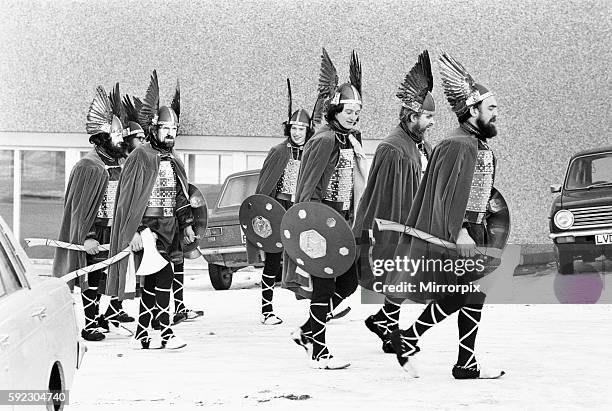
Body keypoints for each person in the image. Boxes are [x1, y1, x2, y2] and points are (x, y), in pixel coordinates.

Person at [387, 51, 505, 379]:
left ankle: (465, 362)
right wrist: (459, 233)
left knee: (471, 295)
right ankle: (409, 337)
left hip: (473, 229)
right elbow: (446, 195)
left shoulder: (473, 142)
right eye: (491, 108)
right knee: (461, 294)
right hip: (458, 232)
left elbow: (478, 190)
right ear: (471, 109)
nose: (495, 113)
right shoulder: (459, 144)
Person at [286, 48, 367, 369]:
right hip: (322, 224)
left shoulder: (346, 139)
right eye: (348, 110)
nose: (353, 116)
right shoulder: (324, 140)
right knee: (325, 285)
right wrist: (315, 228)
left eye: (357, 112)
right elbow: (307, 188)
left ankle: (308, 330)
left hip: (343, 223)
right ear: (334, 109)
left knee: (348, 283)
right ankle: (317, 348)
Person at [352, 50, 435, 353]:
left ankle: (384, 323)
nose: (430, 123)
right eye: (427, 117)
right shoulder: (393, 148)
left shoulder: (418, 144)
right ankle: (314, 327)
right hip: (395, 226)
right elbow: (384, 197)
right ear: (412, 116)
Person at [107, 70, 195, 350]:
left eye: (174, 130)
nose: (170, 134)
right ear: (154, 130)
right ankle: (166, 332)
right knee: (164, 278)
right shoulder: (140, 156)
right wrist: (132, 230)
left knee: (156, 279)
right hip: (147, 228)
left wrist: (188, 223)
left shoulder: (173, 159)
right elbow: (128, 198)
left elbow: (181, 194)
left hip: (169, 227)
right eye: (165, 128)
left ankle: (143, 334)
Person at [52, 86, 131, 341]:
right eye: (116, 136)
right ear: (101, 138)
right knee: (93, 274)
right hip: (95, 232)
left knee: (108, 274)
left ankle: (102, 316)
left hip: (112, 230)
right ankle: (91, 322)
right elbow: (81, 208)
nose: (121, 140)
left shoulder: (117, 163)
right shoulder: (89, 166)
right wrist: (87, 236)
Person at [246, 78, 315, 325]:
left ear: (308, 131)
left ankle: (321, 307)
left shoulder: (312, 151)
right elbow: (265, 185)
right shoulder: (278, 151)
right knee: (273, 261)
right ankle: (266, 310)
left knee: (312, 257)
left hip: (301, 211)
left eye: (302, 129)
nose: (297, 133)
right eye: (294, 128)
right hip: (279, 209)